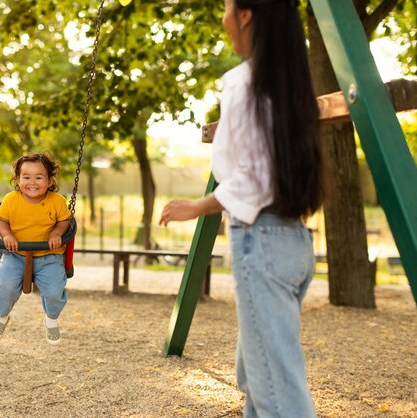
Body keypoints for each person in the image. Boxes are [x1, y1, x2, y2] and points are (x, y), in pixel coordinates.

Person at [160, 0, 323, 416]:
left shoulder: (245, 82)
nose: (224, 16)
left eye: (228, 6)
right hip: (293, 243)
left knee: (276, 391)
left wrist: (198, 205)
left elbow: (253, 174)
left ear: (246, 15)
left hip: (262, 242)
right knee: (258, 376)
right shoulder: (290, 84)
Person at [0, 152, 71, 345]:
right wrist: (7, 235)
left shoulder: (57, 201)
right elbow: (2, 221)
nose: (32, 182)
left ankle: (51, 319)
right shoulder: (11, 199)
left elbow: (65, 221)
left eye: (39, 177)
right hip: (16, 254)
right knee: (4, 284)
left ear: (49, 181)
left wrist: (56, 233)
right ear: (17, 179)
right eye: (26, 177)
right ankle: (1, 316)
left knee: (54, 289)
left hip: (49, 255)